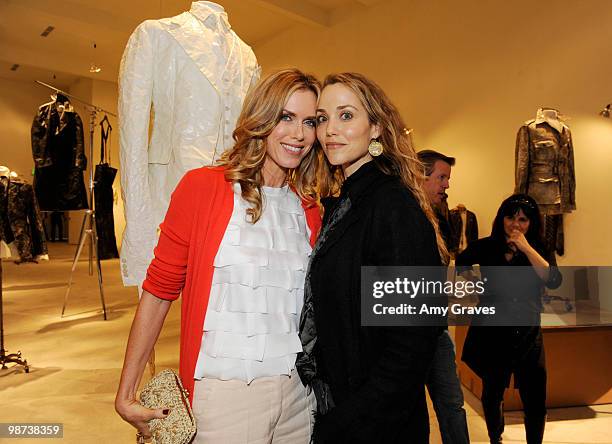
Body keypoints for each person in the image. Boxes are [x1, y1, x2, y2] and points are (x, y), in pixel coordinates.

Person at [115, 68, 324, 444]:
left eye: (309, 121)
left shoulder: (308, 208)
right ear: (262, 118)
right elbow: (160, 289)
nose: (299, 134)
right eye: (286, 117)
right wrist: (126, 390)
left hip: (296, 396)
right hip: (225, 396)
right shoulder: (204, 188)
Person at [297, 72, 446, 443]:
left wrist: (347, 422)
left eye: (346, 115)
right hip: (347, 408)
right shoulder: (348, 203)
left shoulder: (392, 206)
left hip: (377, 424)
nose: (330, 129)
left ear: (376, 128)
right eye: (322, 118)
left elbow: (413, 341)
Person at [456, 194, 562, 444]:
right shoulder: (487, 246)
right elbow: (461, 263)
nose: (516, 224)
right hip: (492, 330)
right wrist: (473, 286)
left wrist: (526, 247)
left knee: (535, 396)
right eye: (510, 218)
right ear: (501, 219)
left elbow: (554, 280)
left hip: (527, 331)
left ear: (531, 222)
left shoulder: (539, 248)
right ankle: (495, 437)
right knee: (492, 393)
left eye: (523, 219)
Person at [417, 150, 470, 444]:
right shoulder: (402, 215)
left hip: (437, 329)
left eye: (447, 178)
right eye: (441, 177)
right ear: (419, 175)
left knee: (452, 406)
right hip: (408, 332)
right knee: (413, 413)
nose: (446, 185)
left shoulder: (440, 217)